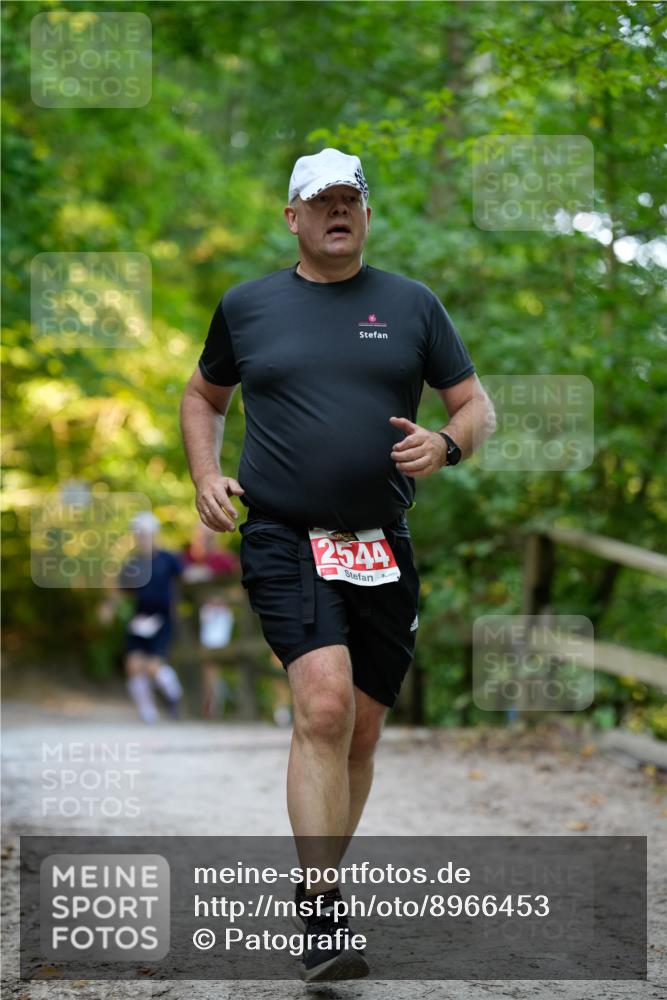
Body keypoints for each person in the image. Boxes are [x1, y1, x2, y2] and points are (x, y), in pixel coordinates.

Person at [180, 147, 496, 981]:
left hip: (381, 541)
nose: (335, 212)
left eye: (348, 199)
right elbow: (201, 396)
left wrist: (447, 443)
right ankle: (320, 917)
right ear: (292, 217)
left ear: (364, 211)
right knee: (321, 708)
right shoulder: (247, 307)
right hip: (283, 533)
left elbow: (473, 405)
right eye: (318, 201)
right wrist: (208, 474)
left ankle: (322, 883)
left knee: (359, 729)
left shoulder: (410, 305)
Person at [98, 511, 185, 723]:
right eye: (139, 534)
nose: (142, 538)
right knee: (133, 665)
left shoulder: (168, 559)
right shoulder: (133, 563)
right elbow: (119, 588)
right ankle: (148, 713)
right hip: (140, 617)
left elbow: (186, 578)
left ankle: (174, 697)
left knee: (154, 666)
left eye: (146, 534)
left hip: (162, 617)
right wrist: (108, 607)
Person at [182, 522, 239, 716]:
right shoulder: (191, 559)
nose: (204, 539)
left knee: (211, 658)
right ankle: (214, 698)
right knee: (207, 660)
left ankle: (213, 702)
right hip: (197, 617)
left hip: (219, 616)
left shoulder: (225, 560)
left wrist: (220, 597)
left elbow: (238, 588)